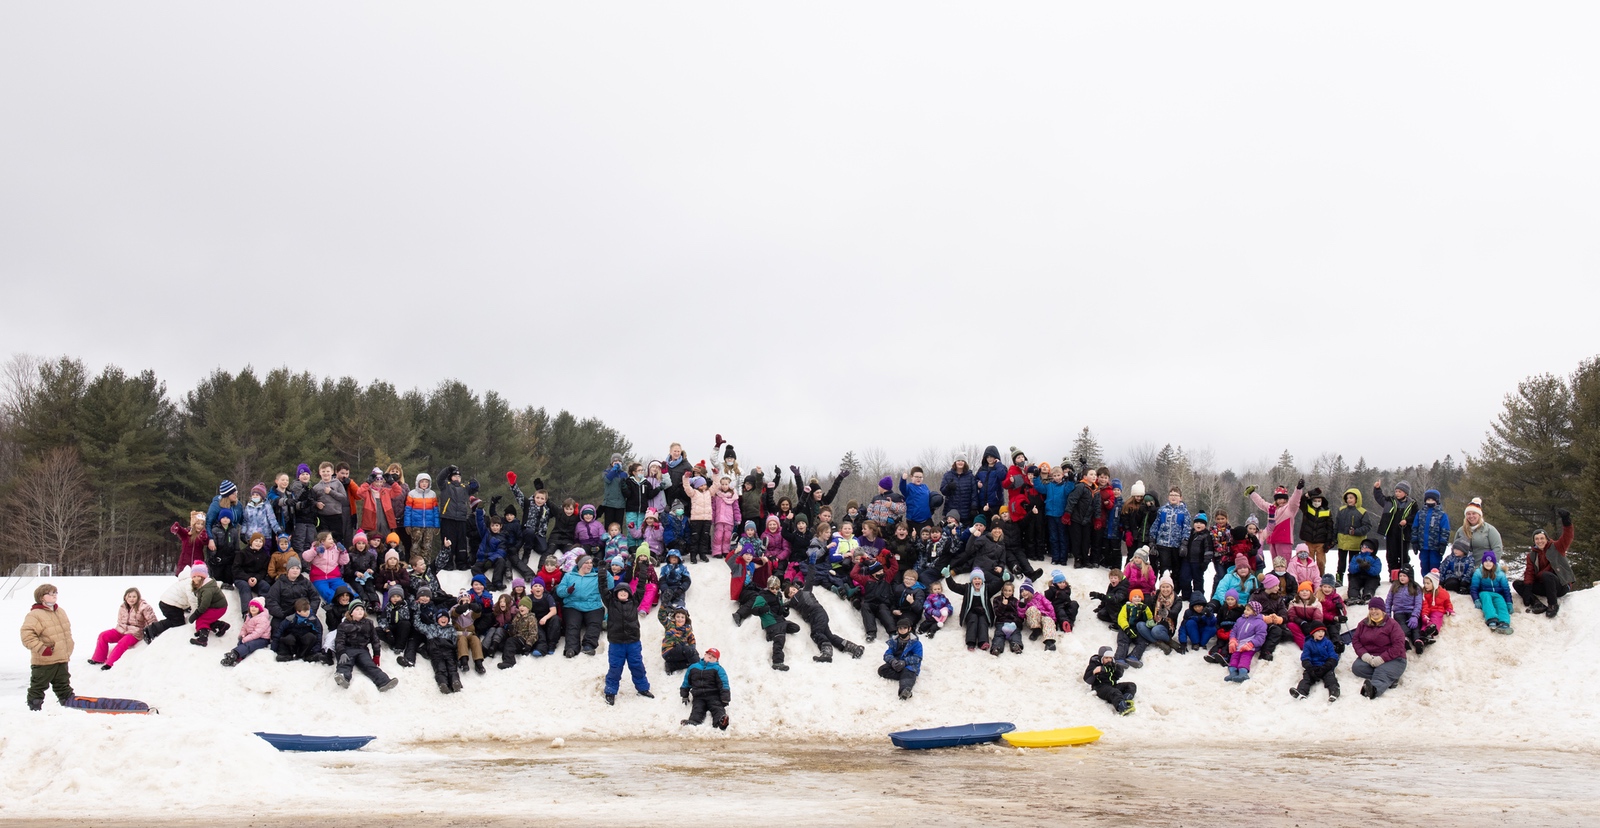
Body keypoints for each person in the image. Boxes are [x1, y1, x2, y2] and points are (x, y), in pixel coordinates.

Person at [21, 584, 74, 710]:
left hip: (62, 657)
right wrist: (42, 649)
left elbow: (66, 632)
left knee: (63, 685)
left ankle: (70, 707)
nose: (54, 595)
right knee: (38, 686)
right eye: (50, 594)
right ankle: (34, 709)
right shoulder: (35, 615)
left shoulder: (60, 611)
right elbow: (27, 636)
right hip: (44, 660)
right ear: (41, 598)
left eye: (55, 592)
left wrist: (70, 645)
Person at [1515, 510, 1576, 618]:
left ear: (1547, 539)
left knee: (1546, 575)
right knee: (1517, 584)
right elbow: (1529, 572)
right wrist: (1527, 590)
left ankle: (1553, 605)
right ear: (1534, 541)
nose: (1540, 541)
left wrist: (1566, 521)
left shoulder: (1557, 547)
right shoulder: (1532, 555)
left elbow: (1568, 536)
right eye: (1537, 539)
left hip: (1560, 586)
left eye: (1542, 538)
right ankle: (1537, 603)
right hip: (1545, 586)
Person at [601, 582, 653, 704]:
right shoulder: (611, 603)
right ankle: (610, 691)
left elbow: (641, 588)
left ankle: (643, 688)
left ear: (629, 594)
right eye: (620, 591)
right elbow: (603, 588)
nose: (623, 593)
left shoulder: (634, 602)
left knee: (637, 665)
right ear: (616, 594)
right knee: (615, 668)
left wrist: (644, 565)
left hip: (633, 642)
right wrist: (602, 570)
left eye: (625, 591)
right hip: (616, 643)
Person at [333, 600, 399, 691]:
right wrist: (341, 652)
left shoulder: (369, 623)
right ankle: (343, 677)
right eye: (357, 609)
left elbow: (374, 639)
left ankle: (384, 681)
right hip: (348, 649)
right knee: (345, 663)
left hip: (362, 650)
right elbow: (339, 640)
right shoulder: (343, 625)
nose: (360, 611)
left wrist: (376, 655)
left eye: (361, 609)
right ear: (351, 612)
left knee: (369, 665)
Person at [1351, 596, 1407, 699]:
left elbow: (1398, 645)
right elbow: (1356, 640)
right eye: (1371, 609)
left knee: (1381, 672)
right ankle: (1390, 677)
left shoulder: (1392, 624)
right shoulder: (1363, 624)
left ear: (1382, 610)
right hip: (1371, 657)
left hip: (1394, 659)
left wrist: (1382, 659)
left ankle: (1373, 689)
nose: (1373, 612)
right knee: (1357, 668)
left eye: (1376, 609)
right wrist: (1365, 655)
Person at [89, 587, 156, 670]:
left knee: (122, 642)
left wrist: (150, 633)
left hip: (135, 633)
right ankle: (98, 658)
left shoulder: (144, 607)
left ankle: (110, 663)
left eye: (134, 596)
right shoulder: (123, 606)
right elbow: (120, 621)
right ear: (125, 597)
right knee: (103, 635)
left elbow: (153, 621)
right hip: (121, 630)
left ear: (138, 597)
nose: (132, 599)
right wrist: (121, 629)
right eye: (129, 596)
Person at [561, 555, 608, 657]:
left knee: (594, 623)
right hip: (573, 605)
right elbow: (560, 591)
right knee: (572, 624)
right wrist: (567, 591)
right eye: (587, 563)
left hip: (593, 606)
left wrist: (603, 570)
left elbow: (611, 584)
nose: (589, 565)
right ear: (580, 564)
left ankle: (589, 646)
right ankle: (571, 648)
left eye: (591, 563)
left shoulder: (596, 576)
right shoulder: (569, 576)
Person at [1247, 480, 1304, 563]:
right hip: (1272, 540)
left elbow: (1295, 500)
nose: (1281, 501)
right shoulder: (1272, 508)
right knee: (1276, 566)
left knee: (1284, 565)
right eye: (1279, 499)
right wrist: (1252, 493)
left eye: (1283, 499)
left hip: (1284, 540)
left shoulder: (1290, 508)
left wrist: (1298, 489)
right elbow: (1261, 503)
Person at [680, 648, 731, 729]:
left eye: (713, 656)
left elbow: (724, 683)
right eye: (709, 654)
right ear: (705, 655)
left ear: (716, 659)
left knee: (717, 708)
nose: (710, 656)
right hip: (698, 696)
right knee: (697, 709)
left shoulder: (718, 669)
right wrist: (684, 694)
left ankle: (720, 722)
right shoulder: (693, 667)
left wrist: (725, 698)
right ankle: (694, 722)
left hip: (713, 696)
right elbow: (686, 682)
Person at [1332, 488, 1373, 588]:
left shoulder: (1362, 512)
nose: (1349, 500)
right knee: (1341, 562)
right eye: (1347, 498)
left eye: (1351, 498)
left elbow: (1367, 526)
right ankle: (1339, 579)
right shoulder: (1341, 510)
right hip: (1343, 541)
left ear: (1357, 499)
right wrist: (1334, 538)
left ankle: (1353, 580)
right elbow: (1336, 525)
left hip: (1356, 542)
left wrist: (1356, 532)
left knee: (1353, 563)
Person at [1290, 624, 1340, 702]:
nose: (1321, 633)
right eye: (1319, 631)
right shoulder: (1308, 644)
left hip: (1325, 666)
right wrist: (1310, 668)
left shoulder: (1328, 643)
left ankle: (1334, 691)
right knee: (1307, 678)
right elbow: (1305, 657)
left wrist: (1327, 666)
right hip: (1314, 667)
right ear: (1313, 633)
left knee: (1330, 678)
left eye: (1323, 631)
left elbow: (1333, 656)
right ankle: (1301, 692)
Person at [1149, 487, 1190, 580]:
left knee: (1176, 570)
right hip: (1163, 544)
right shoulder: (1162, 510)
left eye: (1176, 495)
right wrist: (1152, 540)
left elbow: (1186, 528)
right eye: (1171, 495)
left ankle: (1174, 591)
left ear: (1180, 498)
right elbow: (1156, 525)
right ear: (1168, 497)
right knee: (1164, 569)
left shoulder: (1184, 512)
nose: (1173, 497)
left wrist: (1184, 543)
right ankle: (1163, 589)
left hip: (1176, 545)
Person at [185, 563, 231, 647]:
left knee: (202, 619)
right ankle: (222, 626)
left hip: (219, 608)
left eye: (198, 576)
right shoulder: (201, 586)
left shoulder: (207, 589)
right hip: (214, 606)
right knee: (206, 618)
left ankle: (203, 639)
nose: (196, 578)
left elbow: (204, 605)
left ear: (203, 577)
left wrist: (196, 614)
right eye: (194, 576)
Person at [1083, 646, 1136, 716]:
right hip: (1100, 688)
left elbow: (1119, 675)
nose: (1109, 660)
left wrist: (1115, 668)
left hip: (1112, 685)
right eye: (1106, 658)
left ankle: (1126, 699)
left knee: (1131, 685)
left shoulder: (1113, 664)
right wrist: (1094, 672)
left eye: (1110, 658)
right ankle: (1122, 707)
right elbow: (1087, 679)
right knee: (1115, 692)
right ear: (1101, 658)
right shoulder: (1095, 665)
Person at [1411, 490, 1452, 578]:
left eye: (1432, 500)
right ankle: (1426, 582)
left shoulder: (1441, 515)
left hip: (1435, 547)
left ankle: (1435, 582)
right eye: (1428, 500)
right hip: (1423, 546)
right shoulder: (1420, 513)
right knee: (1424, 564)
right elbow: (1415, 527)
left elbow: (1445, 530)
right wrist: (1414, 541)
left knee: (1434, 564)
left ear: (1436, 501)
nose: (1430, 502)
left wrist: (1443, 543)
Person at [1471, 552, 1515, 634]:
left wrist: (1509, 602)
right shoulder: (1478, 572)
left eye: (1490, 561)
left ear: (1494, 563)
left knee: (1501, 603)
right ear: (1483, 562)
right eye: (1486, 561)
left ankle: (1504, 623)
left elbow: (1506, 589)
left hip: (1497, 594)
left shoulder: (1500, 574)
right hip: (1484, 593)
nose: (1488, 563)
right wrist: (1476, 599)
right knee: (1487, 600)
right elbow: (1474, 588)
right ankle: (1492, 618)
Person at [879, 617, 922, 700]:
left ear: (909, 629)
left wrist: (905, 662)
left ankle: (905, 690)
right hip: (896, 664)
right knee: (882, 670)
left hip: (909, 666)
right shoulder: (894, 641)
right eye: (900, 628)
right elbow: (887, 654)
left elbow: (917, 657)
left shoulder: (916, 643)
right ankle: (906, 677)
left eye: (905, 628)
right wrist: (892, 661)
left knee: (908, 672)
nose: (902, 630)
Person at [221, 598, 273, 666]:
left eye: (256, 607)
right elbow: (244, 627)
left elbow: (257, 633)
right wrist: (242, 635)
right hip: (251, 636)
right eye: (251, 606)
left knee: (249, 645)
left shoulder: (262, 618)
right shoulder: (249, 616)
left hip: (262, 639)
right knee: (241, 642)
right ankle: (236, 658)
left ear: (260, 609)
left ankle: (235, 654)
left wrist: (245, 639)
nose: (253, 608)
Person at [1297, 488, 1336, 577]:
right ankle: (1309, 578)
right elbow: (1301, 500)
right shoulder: (1307, 508)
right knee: (1308, 562)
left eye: (1319, 501)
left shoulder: (1327, 511)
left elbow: (1330, 527)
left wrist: (1329, 541)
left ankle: (1320, 578)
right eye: (1315, 500)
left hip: (1321, 542)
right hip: (1309, 541)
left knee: (1321, 563)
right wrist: (1309, 493)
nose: (1317, 502)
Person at [660, 608, 698, 674]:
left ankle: (671, 666)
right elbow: (661, 616)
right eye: (678, 617)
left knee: (693, 655)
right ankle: (699, 668)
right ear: (674, 618)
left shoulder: (687, 629)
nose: (680, 619)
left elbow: (692, 641)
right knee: (688, 650)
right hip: (669, 651)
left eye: (682, 617)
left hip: (680, 653)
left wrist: (692, 651)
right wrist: (664, 605)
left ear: (686, 619)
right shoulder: (670, 625)